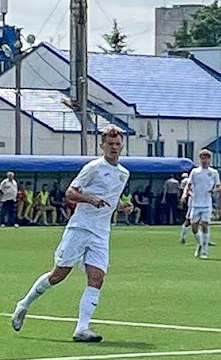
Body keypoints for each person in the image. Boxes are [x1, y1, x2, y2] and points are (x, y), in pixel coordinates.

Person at [11, 126, 134, 342]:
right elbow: (70, 192)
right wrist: (90, 199)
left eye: (117, 144)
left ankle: (82, 328)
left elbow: (109, 202)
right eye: (110, 144)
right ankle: (24, 304)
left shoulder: (124, 174)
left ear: (122, 146)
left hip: (101, 232)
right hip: (80, 227)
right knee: (58, 275)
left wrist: (122, 207)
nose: (114, 148)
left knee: (97, 278)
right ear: (102, 146)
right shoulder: (93, 168)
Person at [187, 149, 221, 259]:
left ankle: (204, 251)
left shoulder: (213, 172)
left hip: (207, 203)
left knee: (205, 225)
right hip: (196, 203)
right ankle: (200, 244)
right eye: (202, 158)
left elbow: (219, 186)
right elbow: (189, 185)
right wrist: (188, 193)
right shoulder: (194, 172)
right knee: (194, 227)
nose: (204, 160)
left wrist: (214, 191)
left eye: (206, 158)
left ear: (209, 159)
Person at [179, 172, 193, 243]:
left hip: (199, 202)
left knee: (203, 222)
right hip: (193, 202)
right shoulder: (191, 180)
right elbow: (187, 190)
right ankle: (183, 237)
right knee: (188, 220)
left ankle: (205, 239)